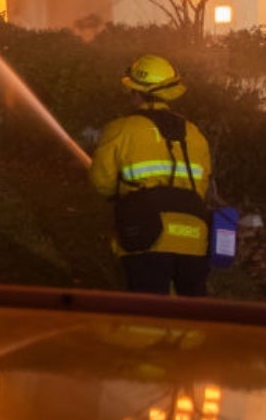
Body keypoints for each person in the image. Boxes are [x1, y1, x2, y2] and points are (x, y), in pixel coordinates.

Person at [88, 54, 213, 297]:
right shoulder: (195, 134)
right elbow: (202, 186)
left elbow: (101, 183)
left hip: (145, 233)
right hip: (194, 236)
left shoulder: (121, 129)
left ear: (136, 93)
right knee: (193, 313)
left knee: (147, 310)